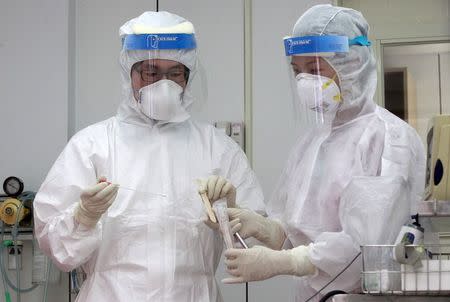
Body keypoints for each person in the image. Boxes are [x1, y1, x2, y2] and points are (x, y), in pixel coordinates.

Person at [33, 11, 264, 302]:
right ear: (129, 74)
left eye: (175, 73)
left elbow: (256, 251)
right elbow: (56, 250)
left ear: (188, 77)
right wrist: (82, 217)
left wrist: (233, 216)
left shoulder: (218, 149)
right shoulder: (92, 146)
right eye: (151, 72)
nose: (163, 84)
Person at [220, 4, 426, 301]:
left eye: (314, 69)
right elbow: (301, 230)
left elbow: (368, 249)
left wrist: (286, 262)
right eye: (297, 71)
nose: (304, 81)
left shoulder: (388, 138)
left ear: (350, 63)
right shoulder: (312, 142)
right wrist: (267, 228)